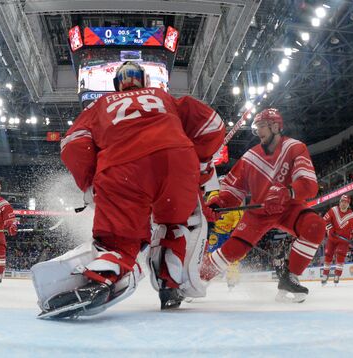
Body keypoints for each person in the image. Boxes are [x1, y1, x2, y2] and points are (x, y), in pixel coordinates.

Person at [31, 61, 224, 318]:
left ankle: (103, 275)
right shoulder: (164, 97)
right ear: (143, 81)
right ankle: (170, 285)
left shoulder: (99, 105)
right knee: (174, 225)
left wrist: (90, 183)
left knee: (120, 241)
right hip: (178, 162)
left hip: (124, 168)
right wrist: (198, 163)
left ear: (116, 84)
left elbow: (73, 144)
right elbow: (212, 124)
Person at [201, 108, 326, 303]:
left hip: (288, 207)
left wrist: (289, 192)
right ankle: (196, 278)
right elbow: (233, 190)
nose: (259, 131)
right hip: (258, 212)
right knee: (233, 250)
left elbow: (310, 185)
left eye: (262, 126)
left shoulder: (295, 148)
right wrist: (220, 202)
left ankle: (289, 277)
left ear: (276, 126)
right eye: (257, 127)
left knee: (315, 226)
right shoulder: (250, 157)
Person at [206, 190, 243, 290]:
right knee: (215, 255)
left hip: (224, 233)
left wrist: (234, 230)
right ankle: (206, 277)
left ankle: (231, 279)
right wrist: (234, 229)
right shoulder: (233, 197)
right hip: (218, 233)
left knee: (229, 256)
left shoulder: (214, 195)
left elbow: (238, 215)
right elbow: (239, 215)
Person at [321, 194, 353, 285]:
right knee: (328, 255)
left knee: (340, 255)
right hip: (332, 238)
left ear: (348, 204)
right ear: (339, 202)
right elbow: (324, 220)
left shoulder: (352, 216)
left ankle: (337, 275)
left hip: (343, 241)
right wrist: (329, 227)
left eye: (346, 202)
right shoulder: (333, 210)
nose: (344, 204)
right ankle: (325, 274)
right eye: (342, 202)